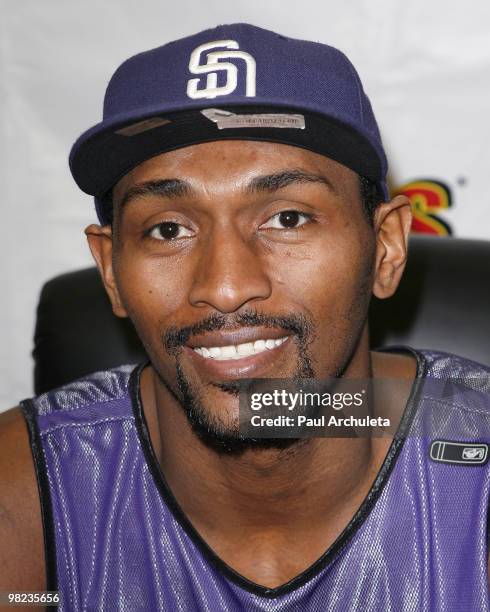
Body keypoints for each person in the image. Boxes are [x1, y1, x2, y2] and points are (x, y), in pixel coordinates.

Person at [1, 23, 489, 611]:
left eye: (287, 219)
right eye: (168, 229)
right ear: (111, 270)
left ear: (385, 248)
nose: (226, 287)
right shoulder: (24, 486)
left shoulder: (473, 460)